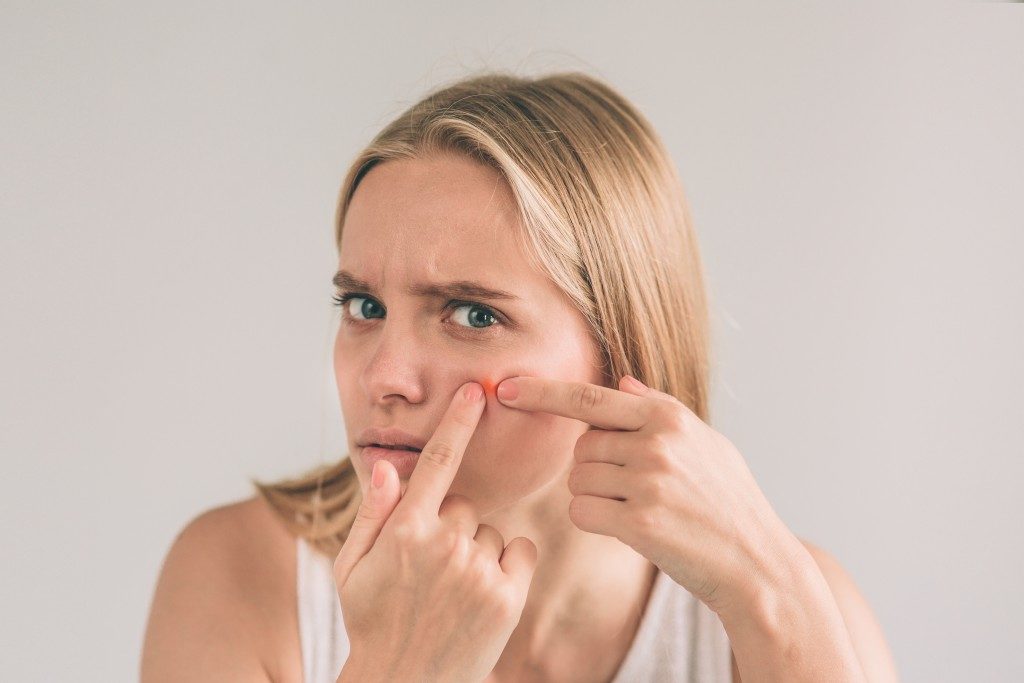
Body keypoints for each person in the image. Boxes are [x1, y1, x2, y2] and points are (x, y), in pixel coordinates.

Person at [140, 71, 900, 682]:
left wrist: (773, 594)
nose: (385, 377)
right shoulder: (240, 577)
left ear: (621, 350)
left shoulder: (788, 602)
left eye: (471, 315)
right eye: (362, 304)